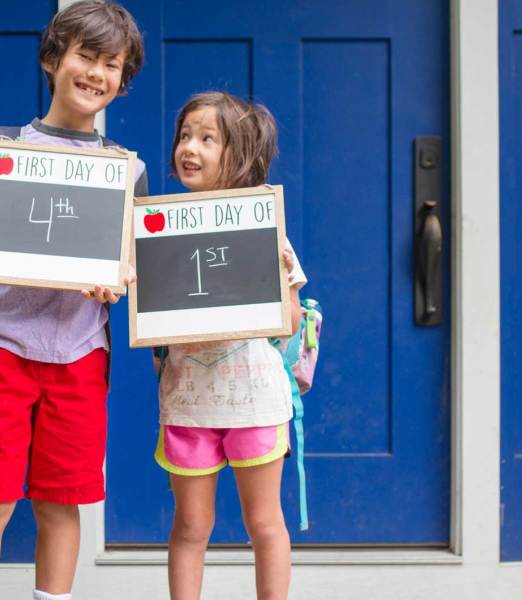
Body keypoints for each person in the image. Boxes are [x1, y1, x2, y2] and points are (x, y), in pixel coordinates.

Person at [0, 3, 146, 599]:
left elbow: (128, 264)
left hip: (80, 353)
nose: (97, 73)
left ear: (122, 80)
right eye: (87, 56)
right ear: (54, 59)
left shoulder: (125, 172)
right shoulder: (4, 147)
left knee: (62, 502)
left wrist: (119, 279)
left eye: (113, 65)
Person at [154, 91, 305, 600]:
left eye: (206, 138)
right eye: (184, 136)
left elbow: (288, 320)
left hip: (257, 403)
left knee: (264, 524)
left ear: (237, 156)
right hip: (189, 404)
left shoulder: (268, 231)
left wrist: (269, 284)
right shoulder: (159, 231)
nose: (188, 147)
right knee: (190, 527)